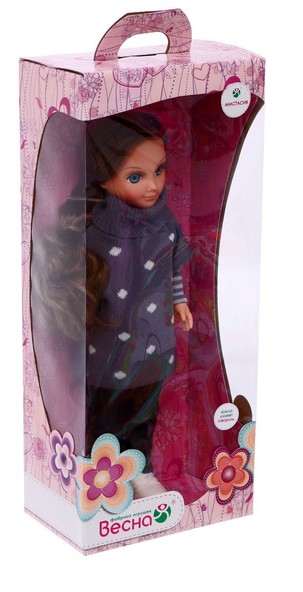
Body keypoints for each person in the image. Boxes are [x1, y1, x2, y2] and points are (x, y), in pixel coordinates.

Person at [39, 113, 193, 499]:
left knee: (147, 408)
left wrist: (179, 301)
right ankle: (102, 469)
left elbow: (171, 267)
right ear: (104, 178)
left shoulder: (164, 223)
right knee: (106, 412)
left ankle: (142, 469)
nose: (154, 185)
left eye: (159, 170)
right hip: (107, 349)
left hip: (154, 342)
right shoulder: (94, 227)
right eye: (136, 177)